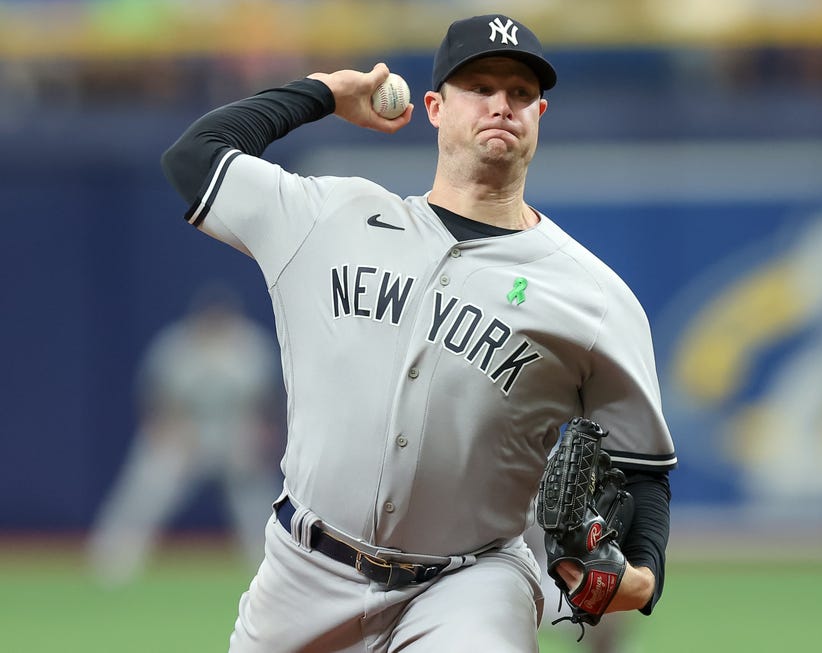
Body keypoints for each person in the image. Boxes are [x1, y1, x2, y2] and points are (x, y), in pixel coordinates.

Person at [160, 14, 676, 652]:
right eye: (479, 87)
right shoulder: (330, 219)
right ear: (434, 107)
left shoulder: (594, 299)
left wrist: (642, 580)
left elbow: (644, 470)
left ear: (540, 113)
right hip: (304, 571)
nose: (501, 105)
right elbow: (194, 159)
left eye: (520, 93)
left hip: (471, 583)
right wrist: (324, 91)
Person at [87, 283, 284, 586]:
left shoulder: (252, 347)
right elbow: (157, 400)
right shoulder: (177, 347)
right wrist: (169, 431)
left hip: (233, 435)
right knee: (151, 480)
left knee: (257, 498)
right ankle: (113, 558)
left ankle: (270, 566)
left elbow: (268, 403)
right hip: (188, 434)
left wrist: (259, 435)